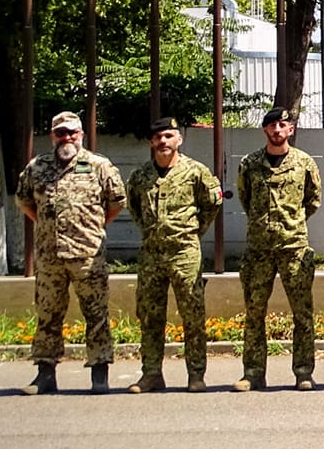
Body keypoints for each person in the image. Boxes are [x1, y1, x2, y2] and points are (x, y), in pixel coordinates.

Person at [13, 110, 126, 394]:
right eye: (60, 133)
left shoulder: (99, 166)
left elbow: (116, 202)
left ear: (81, 135)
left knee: (96, 315)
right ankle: (45, 374)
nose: (67, 138)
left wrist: (93, 226)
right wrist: (46, 226)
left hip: (88, 255)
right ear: (52, 136)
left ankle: (99, 373)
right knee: (47, 315)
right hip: (49, 258)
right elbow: (25, 202)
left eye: (72, 132)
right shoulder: (36, 167)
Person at [124, 116, 225, 393]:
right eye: (158, 137)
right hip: (151, 255)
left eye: (168, 136)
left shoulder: (196, 171)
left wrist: (193, 231)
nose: (163, 141)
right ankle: (151, 374)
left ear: (179, 139)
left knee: (192, 315)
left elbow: (211, 204)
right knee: (150, 316)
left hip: (184, 253)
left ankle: (196, 375)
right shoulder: (140, 176)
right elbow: (134, 207)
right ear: (151, 142)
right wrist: (152, 232)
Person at [233, 106, 323, 392]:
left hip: (293, 248)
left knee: (302, 313)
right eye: (271, 125)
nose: (277, 129)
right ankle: (253, 373)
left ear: (290, 129)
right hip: (258, 249)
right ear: (265, 130)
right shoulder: (249, 163)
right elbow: (245, 198)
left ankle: (303, 373)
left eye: (282, 125)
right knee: (254, 313)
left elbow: (313, 200)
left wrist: (291, 223)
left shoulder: (304, 162)